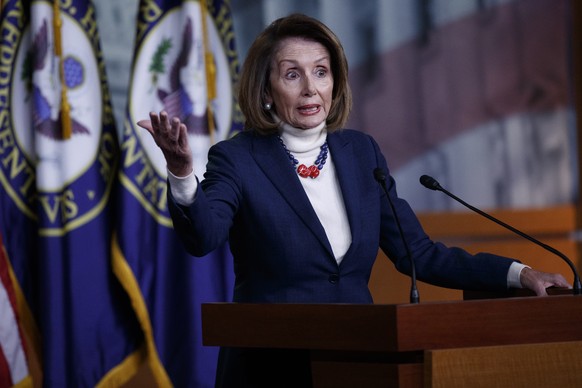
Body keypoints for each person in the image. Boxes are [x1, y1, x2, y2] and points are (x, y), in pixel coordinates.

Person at [138, 13, 571, 388]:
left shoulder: (361, 153)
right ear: (266, 91)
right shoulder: (237, 158)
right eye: (292, 74)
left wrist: (519, 273)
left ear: (335, 81)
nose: (310, 88)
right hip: (269, 366)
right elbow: (204, 235)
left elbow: (418, 253)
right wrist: (180, 172)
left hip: (358, 361)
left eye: (321, 72)